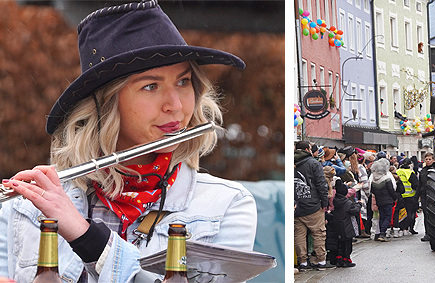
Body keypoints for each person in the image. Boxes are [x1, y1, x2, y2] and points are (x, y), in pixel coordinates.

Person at [0, 2, 257, 282]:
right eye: (151, 86)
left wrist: (87, 238)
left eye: (183, 82)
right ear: (106, 105)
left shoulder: (227, 206)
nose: (176, 105)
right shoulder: (23, 209)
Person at [293, 141, 334, 270]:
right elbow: (321, 184)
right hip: (313, 204)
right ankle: (321, 261)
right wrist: (324, 202)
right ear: (307, 149)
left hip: (296, 206)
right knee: (319, 233)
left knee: (299, 235)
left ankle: (303, 262)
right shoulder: (313, 163)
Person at [330, 181, 360, 268]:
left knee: (340, 243)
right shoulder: (347, 203)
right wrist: (359, 205)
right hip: (347, 226)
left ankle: (339, 259)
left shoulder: (336, 201)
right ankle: (346, 260)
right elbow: (354, 211)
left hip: (338, 225)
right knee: (347, 245)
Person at [370, 159, 398, 242]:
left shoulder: (374, 180)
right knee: (387, 217)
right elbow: (391, 190)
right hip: (388, 201)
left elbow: (372, 190)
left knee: (381, 217)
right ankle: (382, 233)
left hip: (379, 201)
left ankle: (379, 233)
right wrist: (394, 197)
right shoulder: (387, 178)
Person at [395, 159, 420, 235]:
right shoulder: (410, 173)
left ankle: (400, 228)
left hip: (399, 196)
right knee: (409, 213)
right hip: (410, 196)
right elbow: (416, 185)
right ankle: (407, 228)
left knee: (399, 213)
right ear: (410, 165)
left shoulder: (397, 171)